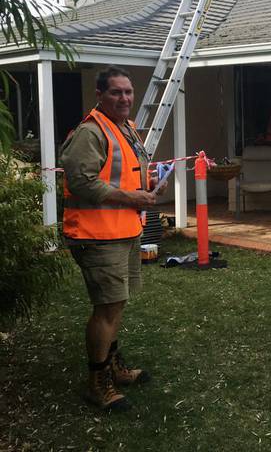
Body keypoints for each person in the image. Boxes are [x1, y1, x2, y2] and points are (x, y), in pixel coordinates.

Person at [60, 65, 157, 411]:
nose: (125, 98)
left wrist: (146, 182)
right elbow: (83, 181)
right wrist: (133, 198)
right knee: (106, 309)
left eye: (128, 91)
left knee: (117, 304)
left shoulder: (127, 128)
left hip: (125, 231)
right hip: (96, 234)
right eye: (116, 92)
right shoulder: (90, 131)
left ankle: (113, 367)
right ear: (100, 95)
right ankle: (97, 382)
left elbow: (126, 171)